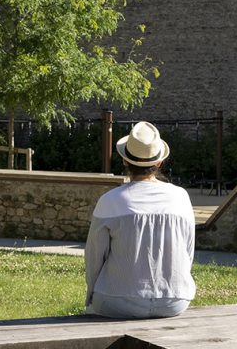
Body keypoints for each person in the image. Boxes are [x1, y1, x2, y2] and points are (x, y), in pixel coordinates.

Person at [83, 121, 197, 319]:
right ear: (159, 162)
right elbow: (188, 252)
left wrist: (91, 296)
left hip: (116, 300)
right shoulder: (181, 197)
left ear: (125, 161)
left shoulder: (111, 200)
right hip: (174, 301)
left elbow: (94, 258)